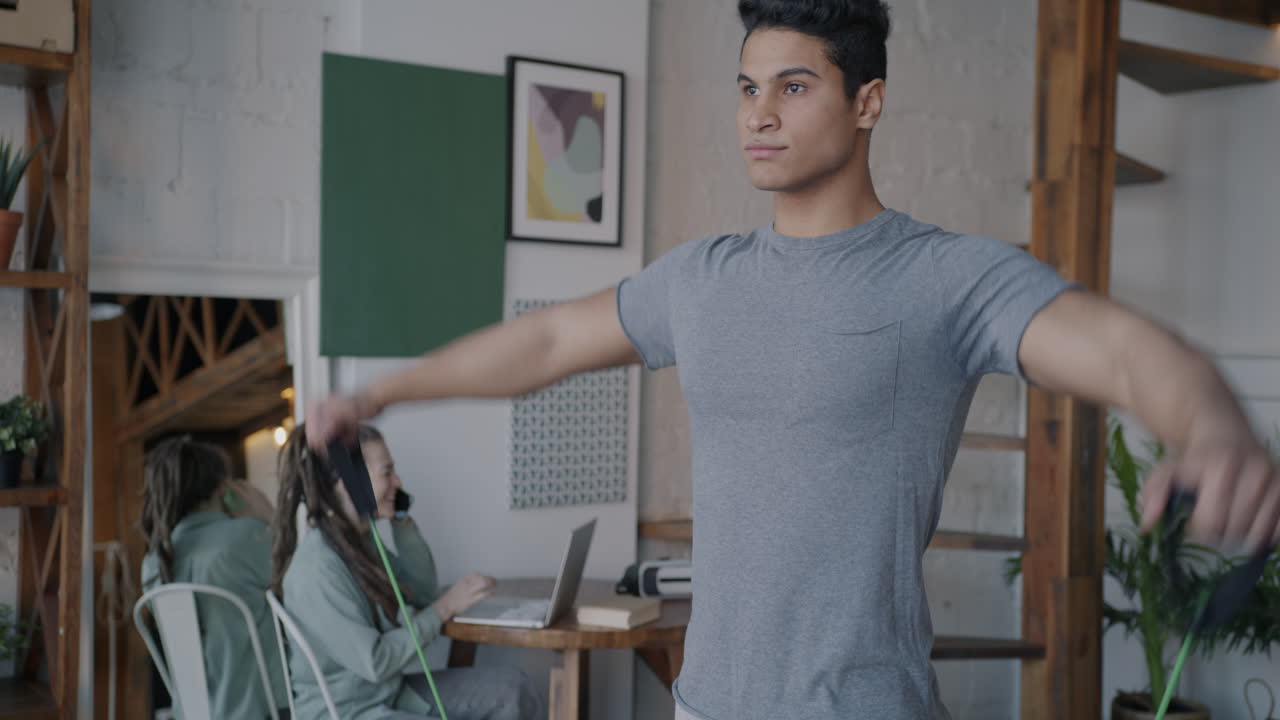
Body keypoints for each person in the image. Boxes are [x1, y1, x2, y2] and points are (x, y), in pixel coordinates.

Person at [305, 1, 1280, 718]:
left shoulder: (941, 278)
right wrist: (382, 391)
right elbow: (548, 339)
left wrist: (1212, 424)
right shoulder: (700, 280)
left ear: (867, 103)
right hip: (703, 705)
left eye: (793, 86)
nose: (756, 113)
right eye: (744, 87)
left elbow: (1124, 347)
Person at [271, 424, 540, 720]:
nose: (398, 481)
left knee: (514, 689)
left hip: (391, 694)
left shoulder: (359, 543)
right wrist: (446, 606)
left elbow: (421, 592)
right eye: (387, 473)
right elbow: (377, 662)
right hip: (349, 712)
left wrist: (400, 515)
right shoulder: (318, 568)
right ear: (351, 483)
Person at [140, 436, 287, 720]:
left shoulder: (152, 563)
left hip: (193, 714)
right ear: (224, 487)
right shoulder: (250, 536)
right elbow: (304, 593)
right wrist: (268, 516)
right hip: (263, 709)